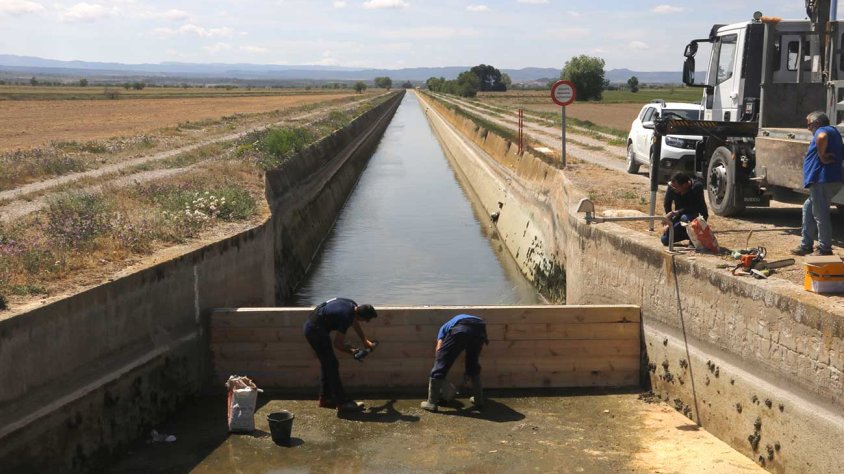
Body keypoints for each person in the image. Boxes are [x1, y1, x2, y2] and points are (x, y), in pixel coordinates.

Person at [303, 297, 377, 411]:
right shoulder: (346, 316)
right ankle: (342, 403)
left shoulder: (352, 305)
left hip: (314, 325)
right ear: (360, 316)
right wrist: (352, 351)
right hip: (315, 330)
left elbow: (354, 321)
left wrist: (364, 340)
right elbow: (337, 344)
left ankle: (326, 399)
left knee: (328, 364)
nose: (365, 322)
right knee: (332, 364)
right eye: (365, 320)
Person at [791, 111, 844, 256]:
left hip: (822, 180)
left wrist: (822, 156)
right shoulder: (833, 131)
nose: (808, 129)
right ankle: (806, 245)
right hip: (826, 181)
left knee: (821, 215)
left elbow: (821, 137)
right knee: (808, 208)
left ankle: (825, 249)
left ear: (817, 123)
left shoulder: (823, 131)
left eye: (809, 125)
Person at [421, 314, 488, 412]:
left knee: (440, 364)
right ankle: (479, 400)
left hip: (461, 328)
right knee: (473, 365)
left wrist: (440, 360)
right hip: (480, 329)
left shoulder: (443, 329)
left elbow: (439, 350)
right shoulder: (454, 321)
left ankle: (431, 403)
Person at [662, 171, 708, 246]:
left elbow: (694, 207)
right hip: (680, 217)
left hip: (696, 217)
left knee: (685, 217)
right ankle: (687, 234)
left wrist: (676, 212)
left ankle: (694, 239)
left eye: (676, 187)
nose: (674, 189)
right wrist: (669, 222)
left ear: (685, 185)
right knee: (665, 239)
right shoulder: (672, 187)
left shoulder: (697, 187)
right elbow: (667, 203)